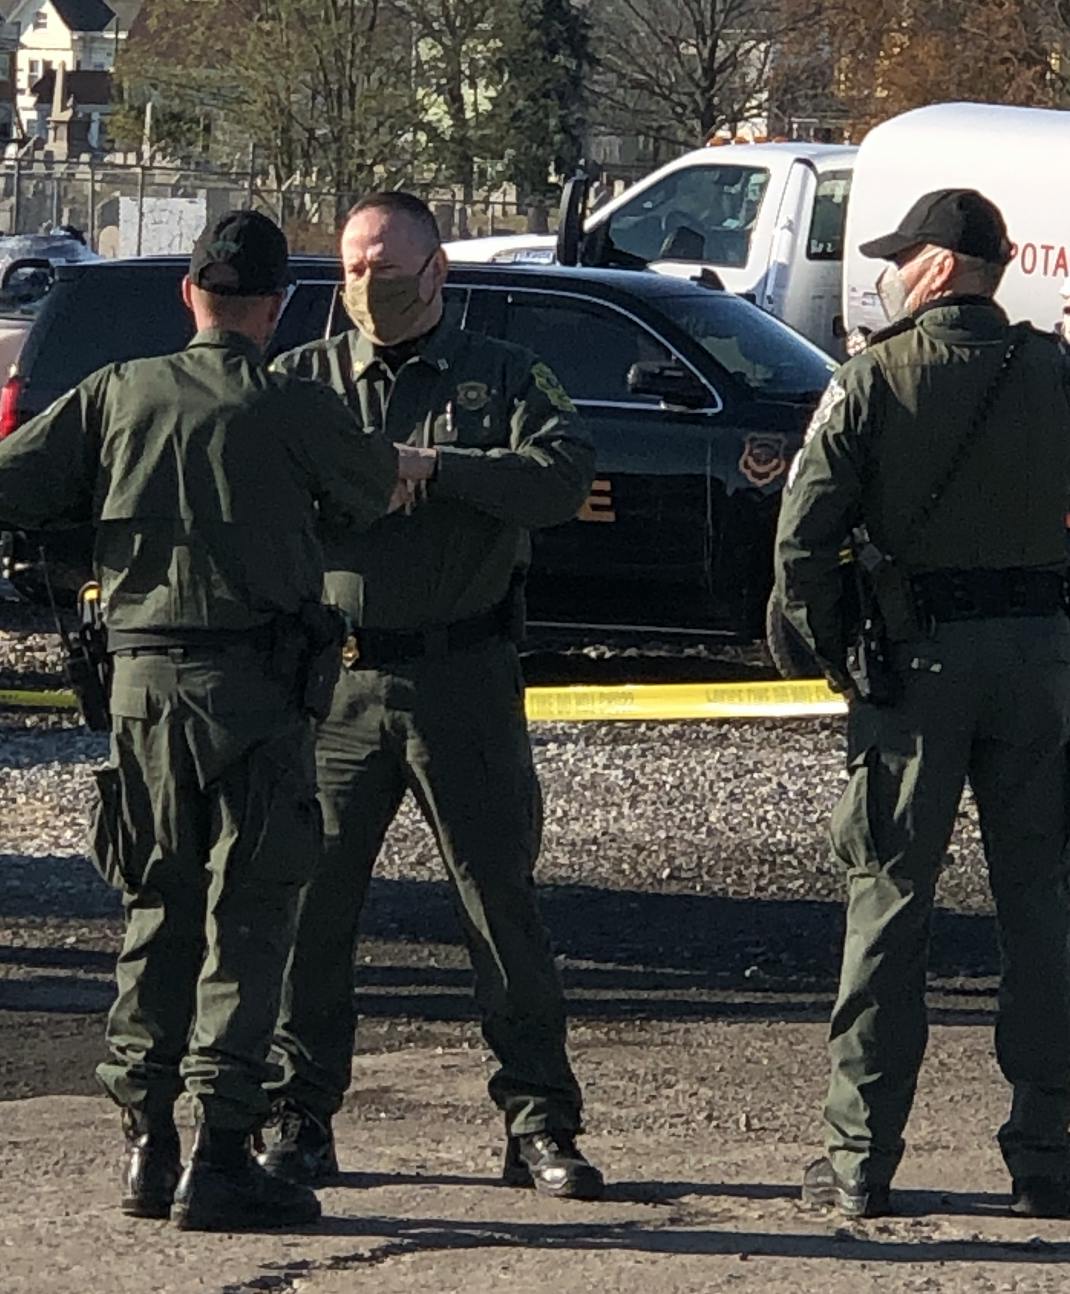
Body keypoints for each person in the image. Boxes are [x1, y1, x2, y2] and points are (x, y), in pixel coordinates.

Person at [0, 211, 398, 1231]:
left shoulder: (116, 393)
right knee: (249, 916)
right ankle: (221, 1152)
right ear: (276, 308)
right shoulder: (294, 405)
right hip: (258, 692)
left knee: (155, 905)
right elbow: (367, 492)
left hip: (142, 691)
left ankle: (146, 1144)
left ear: (189, 296)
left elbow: (16, 483)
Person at [258, 191, 604, 1200]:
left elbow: (562, 478)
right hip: (338, 684)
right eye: (353, 267)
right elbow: (258, 495)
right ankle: (298, 1113)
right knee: (312, 909)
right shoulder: (304, 380)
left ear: (437, 269)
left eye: (386, 265)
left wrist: (436, 467)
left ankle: (539, 1121)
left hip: (463, 677)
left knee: (499, 905)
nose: (367, 284)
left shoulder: (503, 374)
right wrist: (362, 478)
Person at [775, 189, 1070, 1220]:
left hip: (915, 674)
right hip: (1040, 668)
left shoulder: (871, 377)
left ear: (939, 267)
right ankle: (1048, 1154)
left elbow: (801, 544)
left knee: (889, 905)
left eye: (904, 257)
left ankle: (860, 1158)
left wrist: (836, 659)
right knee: (1044, 909)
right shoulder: (1054, 372)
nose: (893, 273)